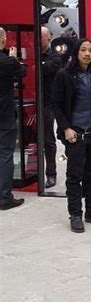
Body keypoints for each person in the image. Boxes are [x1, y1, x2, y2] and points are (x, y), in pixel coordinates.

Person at [52, 38, 91, 233]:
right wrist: (66, 128)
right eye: (83, 50)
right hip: (75, 133)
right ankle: (76, 215)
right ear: (76, 52)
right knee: (74, 176)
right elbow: (56, 105)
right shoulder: (64, 75)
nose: (87, 54)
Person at [0, 27, 27, 211]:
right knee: (5, 155)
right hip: (5, 115)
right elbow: (22, 71)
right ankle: (4, 197)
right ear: (3, 41)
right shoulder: (7, 62)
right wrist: (13, 58)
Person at [41, 27, 62, 188]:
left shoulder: (55, 57)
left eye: (41, 37)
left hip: (47, 103)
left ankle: (51, 174)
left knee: (48, 139)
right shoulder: (32, 54)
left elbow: (45, 69)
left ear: (48, 39)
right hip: (31, 102)